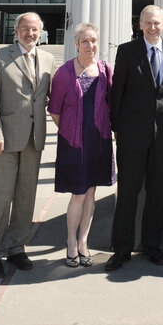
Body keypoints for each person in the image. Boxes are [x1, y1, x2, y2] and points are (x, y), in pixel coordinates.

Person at [106, 5, 163, 271]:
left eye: (157, 23)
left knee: (156, 195)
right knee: (128, 193)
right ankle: (121, 248)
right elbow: (117, 93)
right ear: (140, 25)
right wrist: (117, 128)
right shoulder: (127, 51)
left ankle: (153, 245)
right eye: (148, 23)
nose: (152, 27)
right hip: (132, 137)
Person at [0, 12, 55, 279]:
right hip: (5, 140)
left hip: (34, 140)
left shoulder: (47, 59)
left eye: (34, 29)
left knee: (26, 197)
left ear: (41, 32)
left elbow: (51, 99)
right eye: (25, 28)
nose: (30, 33)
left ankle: (16, 248)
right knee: (0, 198)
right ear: (16, 31)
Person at [48, 23, 115, 267]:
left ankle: (84, 242)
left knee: (91, 192)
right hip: (74, 143)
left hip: (99, 141)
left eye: (94, 40)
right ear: (76, 44)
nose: (90, 45)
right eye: (85, 41)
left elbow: (111, 102)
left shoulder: (105, 69)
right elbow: (55, 110)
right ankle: (70, 242)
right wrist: (70, 129)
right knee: (78, 194)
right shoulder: (65, 73)